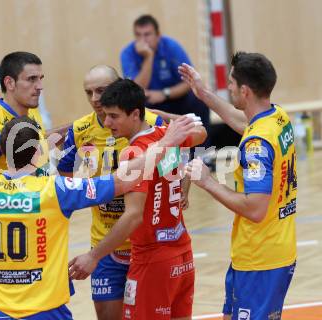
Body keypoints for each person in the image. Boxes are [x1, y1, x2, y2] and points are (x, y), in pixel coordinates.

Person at [0, 114, 198, 319]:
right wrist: (165, 144)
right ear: (38, 152)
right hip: (46, 310)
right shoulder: (56, 191)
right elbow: (124, 179)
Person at [69, 79, 207, 320]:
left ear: (135, 114)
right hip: (183, 255)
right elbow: (201, 131)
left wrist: (93, 256)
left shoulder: (133, 153)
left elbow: (133, 215)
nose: (107, 122)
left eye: (113, 116)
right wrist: (165, 117)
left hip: (153, 260)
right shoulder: (166, 135)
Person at [180, 52, 297, 319]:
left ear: (244, 90)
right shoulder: (277, 117)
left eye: (231, 83)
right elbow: (244, 123)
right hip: (263, 250)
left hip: (262, 258)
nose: (229, 87)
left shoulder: (256, 145)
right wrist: (203, 93)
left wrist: (207, 182)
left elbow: (255, 209)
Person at [57, 65, 164, 320]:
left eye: (101, 91)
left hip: (146, 243)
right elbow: (64, 179)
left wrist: (181, 190)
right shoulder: (80, 130)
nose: (95, 99)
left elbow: (180, 154)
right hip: (105, 242)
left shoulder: (150, 123)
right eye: (89, 92)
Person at [0, 51, 68, 176]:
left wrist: (78, 127)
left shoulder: (31, 109)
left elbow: (38, 140)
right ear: (10, 83)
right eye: (32, 79)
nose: (40, 86)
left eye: (40, 79)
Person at [120, 14, 210, 139]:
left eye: (147, 34)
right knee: (134, 109)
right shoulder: (127, 53)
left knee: (198, 100)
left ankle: (202, 150)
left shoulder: (172, 47)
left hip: (173, 97)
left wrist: (164, 94)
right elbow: (137, 90)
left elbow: (188, 82)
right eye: (138, 35)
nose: (143, 40)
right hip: (148, 102)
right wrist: (149, 56)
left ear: (158, 35)